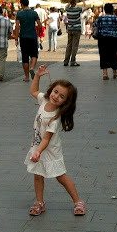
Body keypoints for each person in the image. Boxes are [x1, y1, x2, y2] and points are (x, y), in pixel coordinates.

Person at [24, 64, 85, 217]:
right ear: (51, 90)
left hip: (50, 150)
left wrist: (38, 151)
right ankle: (39, 203)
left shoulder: (55, 118)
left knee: (61, 176)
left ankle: (78, 201)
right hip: (38, 148)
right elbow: (33, 91)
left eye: (61, 96)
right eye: (55, 91)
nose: (56, 96)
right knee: (38, 175)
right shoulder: (44, 100)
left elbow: (46, 138)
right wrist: (37, 76)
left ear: (66, 102)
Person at [14, 0, 41, 82]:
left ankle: (26, 77)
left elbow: (17, 27)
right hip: (32, 36)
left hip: (23, 38)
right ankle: (32, 67)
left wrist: (16, 38)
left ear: (21, 4)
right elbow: (40, 25)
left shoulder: (19, 14)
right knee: (34, 54)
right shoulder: (34, 13)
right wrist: (36, 30)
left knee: (25, 57)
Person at [94, 3, 117, 80]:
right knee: (113, 55)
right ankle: (114, 72)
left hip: (102, 39)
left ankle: (105, 73)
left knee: (103, 55)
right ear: (112, 10)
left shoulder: (100, 18)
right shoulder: (115, 18)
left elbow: (95, 24)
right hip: (113, 39)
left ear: (105, 10)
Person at [63, 0, 83, 67]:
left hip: (70, 29)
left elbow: (66, 6)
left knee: (69, 45)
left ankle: (66, 61)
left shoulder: (68, 9)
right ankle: (73, 61)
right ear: (75, 3)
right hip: (76, 29)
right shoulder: (78, 9)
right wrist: (83, 0)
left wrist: (70, 1)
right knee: (75, 46)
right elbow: (85, 7)